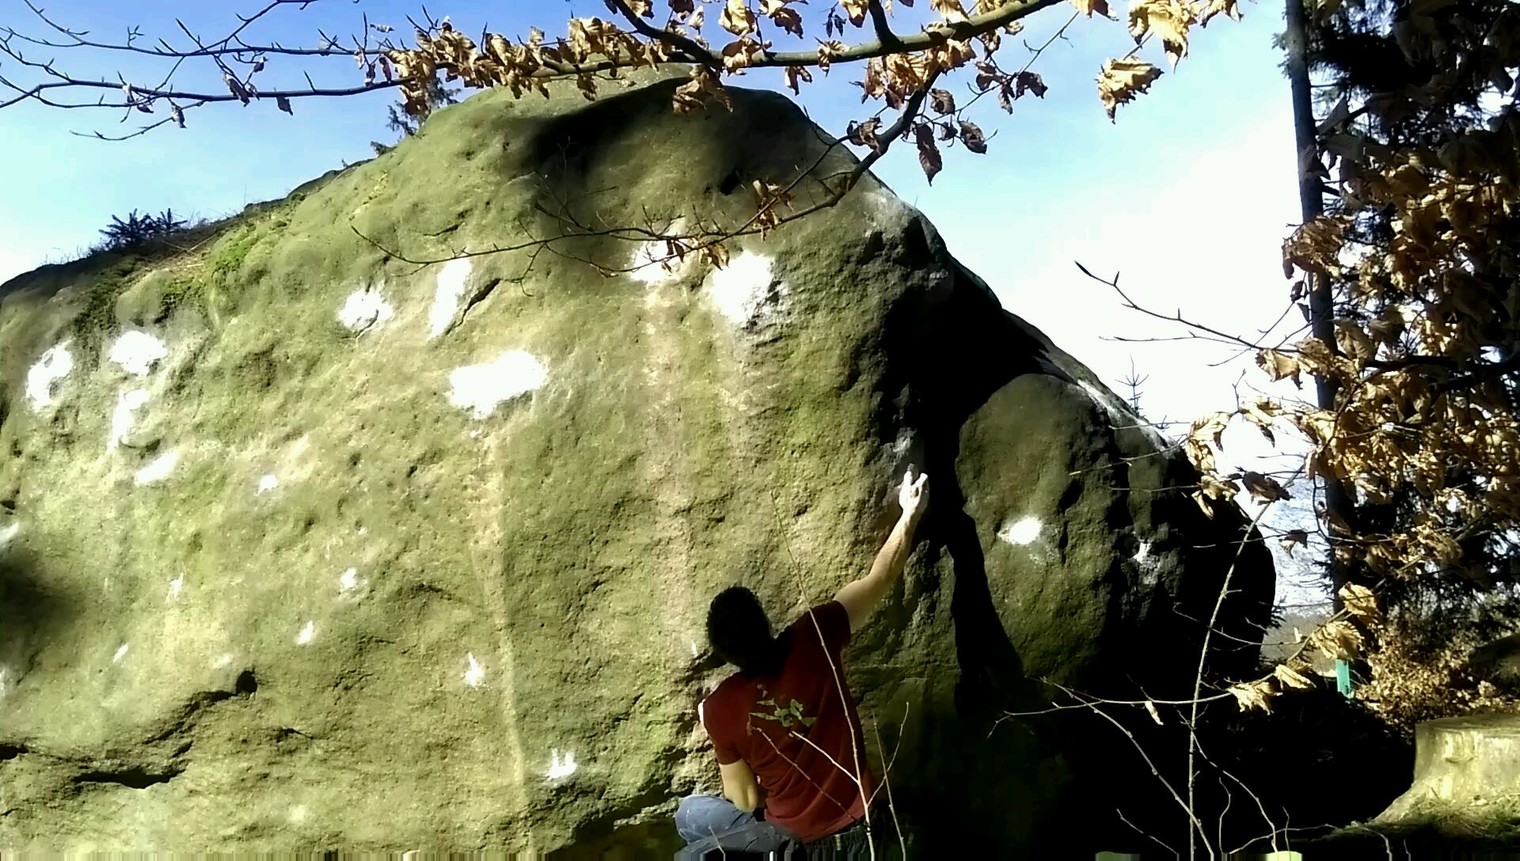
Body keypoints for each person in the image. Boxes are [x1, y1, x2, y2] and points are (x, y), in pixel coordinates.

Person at [674, 467, 930, 859]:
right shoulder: (815, 636)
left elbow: (745, 800)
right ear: (765, 623)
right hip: (862, 832)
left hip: (795, 847)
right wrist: (908, 515)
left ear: (726, 655)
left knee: (690, 813)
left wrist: (715, 722)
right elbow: (880, 578)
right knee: (695, 816)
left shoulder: (720, 708)